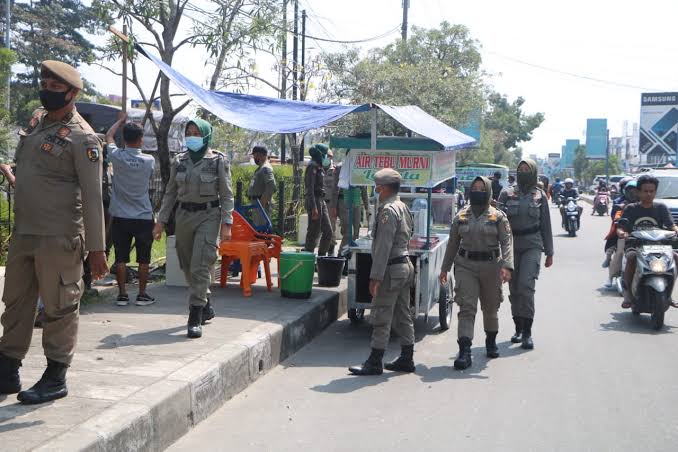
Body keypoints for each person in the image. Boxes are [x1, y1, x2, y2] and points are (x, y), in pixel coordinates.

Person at [0, 60, 108, 404]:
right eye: (44, 83)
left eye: (55, 87)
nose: (46, 90)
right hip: (25, 232)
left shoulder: (83, 137)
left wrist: (97, 249)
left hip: (60, 236)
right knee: (15, 302)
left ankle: (55, 375)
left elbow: (93, 197)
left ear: (72, 94)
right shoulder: (37, 123)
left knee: (59, 307)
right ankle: (7, 368)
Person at [154, 118, 234, 338]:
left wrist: (227, 224)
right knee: (187, 263)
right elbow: (170, 192)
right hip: (184, 216)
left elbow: (226, 194)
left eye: (197, 133)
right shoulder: (179, 160)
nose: (192, 136)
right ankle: (205, 301)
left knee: (201, 263)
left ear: (206, 135)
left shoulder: (218, 160)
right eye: (189, 132)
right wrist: (160, 221)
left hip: (209, 215)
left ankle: (195, 314)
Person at [439, 176, 513, 370]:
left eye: (482, 188)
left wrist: (507, 266)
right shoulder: (461, 216)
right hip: (465, 266)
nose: (477, 191)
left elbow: (507, 243)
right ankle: (465, 350)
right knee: (466, 307)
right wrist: (444, 268)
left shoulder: (498, 216)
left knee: (490, 307)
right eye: (475, 188)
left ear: (488, 191)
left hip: (491, 267)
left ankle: (490, 340)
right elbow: (452, 244)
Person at [349, 168, 415, 376]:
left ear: (385, 188)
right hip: (404, 265)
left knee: (381, 314)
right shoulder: (402, 206)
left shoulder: (387, 210)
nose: (376, 189)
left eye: (378, 185)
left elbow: (383, 247)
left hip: (390, 269)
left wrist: (375, 277)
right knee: (402, 313)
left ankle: (375, 362)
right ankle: (407, 357)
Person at [497, 159, 554, 350]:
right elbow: (496, 221)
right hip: (510, 246)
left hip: (533, 245)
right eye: (520, 169)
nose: (522, 172)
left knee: (525, 286)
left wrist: (550, 252)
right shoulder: (506, 193)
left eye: (526, 169)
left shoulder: (540, 195)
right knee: (514, 289)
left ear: (533, 171)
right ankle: (518, 328)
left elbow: (546, 225)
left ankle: (528, 333)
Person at [105, 112, 156, 306]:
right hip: (143, 215)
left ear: (124, 139)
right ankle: (142, 294)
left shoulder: (116, 156)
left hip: (120, 216)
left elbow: (109, 136)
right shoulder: (149, 161)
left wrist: (120, 120)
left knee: (121, 257)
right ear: (141, 140)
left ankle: (122, 294)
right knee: (144, 258)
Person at [618, 175, 678, 309]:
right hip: (635, 245)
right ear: (638, 192)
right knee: (632, 258)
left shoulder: (661, 208)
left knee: (675, 257)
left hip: (660, 246)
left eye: (652, 191)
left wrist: (676, 230)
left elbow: (671, 225)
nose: (649, 194)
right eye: (645, 191)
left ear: (656, 192)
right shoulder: (631, 208)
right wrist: (622, 233)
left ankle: (669, 293)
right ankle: (627, 293)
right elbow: (621, 227)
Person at [330, 150, 370, 255]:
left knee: (356, 232)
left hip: (356, 201)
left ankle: (349, 257)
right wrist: (333, 207)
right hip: (343, 201)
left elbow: (364, 190)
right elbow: (335, 188)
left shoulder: (360, 167)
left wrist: (367, 207)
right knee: (348, 232)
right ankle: (341, 256)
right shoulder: (340, 168)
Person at [603, 180, 638, 288]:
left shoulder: (644, 202)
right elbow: (616, 216)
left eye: (635, 191)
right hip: (624, 232)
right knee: (619, 252)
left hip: (642, 233)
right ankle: (610, 276)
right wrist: (619, 220)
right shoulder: (620, 203)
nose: (633, 194)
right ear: (625, 191)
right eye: (630, 191)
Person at [303, 143, 333, 255]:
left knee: (328, 231)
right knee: (314, 231)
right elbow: (309, 189)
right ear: (320, 155)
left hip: (321, 199)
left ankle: (321, 257)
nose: (327, 158)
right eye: (326, 155)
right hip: (314, 200)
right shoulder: (312, 166)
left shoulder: (319, 166)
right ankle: (308, 256)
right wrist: (314, 207)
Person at [247, 145, 276, 228]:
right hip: (257, 203)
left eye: (255, 155)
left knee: (262, 228)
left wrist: (263, 202)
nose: (254, 158)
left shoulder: (265, 168)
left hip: (261, 203)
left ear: (260, 155)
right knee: (258, 227)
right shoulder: (261, 168)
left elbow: (271, 185)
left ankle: (266, 241)